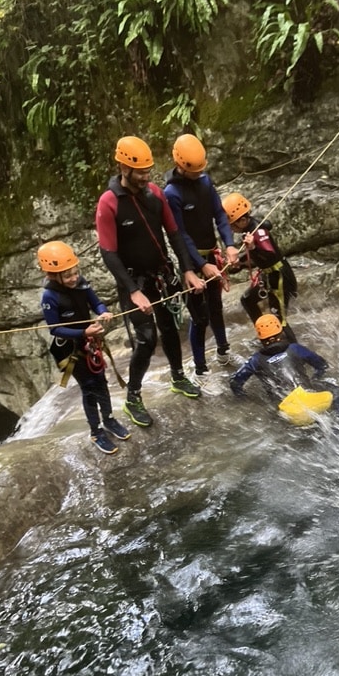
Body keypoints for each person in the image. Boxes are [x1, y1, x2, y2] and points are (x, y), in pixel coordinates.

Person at [95, 135, 205, 428]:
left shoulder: (155, 194)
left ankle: (178, 377)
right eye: (140, 171)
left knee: (170, 327)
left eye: (148, 170)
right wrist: (132, 292)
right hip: (134, 281)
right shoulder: (109, 204)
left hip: (161, 273)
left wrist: (188, 270)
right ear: (123, 167)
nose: (146, 176)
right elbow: (108, 253)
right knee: (146, 339)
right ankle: (133, 397)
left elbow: (175, 234)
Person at [38, 240, 130, 455]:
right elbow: (55, 330)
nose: (74, 278)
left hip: (89, 342)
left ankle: (108, 419)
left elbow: (95, 302)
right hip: (71, 348)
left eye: (75, 272)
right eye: (68, 275)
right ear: (54, 276)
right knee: (89, 387)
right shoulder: (49, 297)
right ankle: (96, 431)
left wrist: (103, 311)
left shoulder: (81, 283)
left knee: (101, 381)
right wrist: (83, 333)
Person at [163, 134, 240, 375]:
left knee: (216, 306)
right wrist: (200, 265)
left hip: (212, 255)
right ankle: (200, 369)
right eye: (194, 171)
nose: (198, 174)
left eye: (200, 170)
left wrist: (229, 245)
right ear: (180, 165)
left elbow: (219, 215)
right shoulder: (172, 193)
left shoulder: (206, 183)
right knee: (199, 317)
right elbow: (180, 234)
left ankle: (223, 349)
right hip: (190, 262)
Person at [229, 314, 339, 423]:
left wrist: (244, 398)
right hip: (314, 402)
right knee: (333, 391)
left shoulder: (255, 360)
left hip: (288, 412)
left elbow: (235, 383)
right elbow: (322, 365)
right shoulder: (295, 348)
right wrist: (315, 379)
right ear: (281, 332)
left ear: (260, 337)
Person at [222, 192, 298, 341]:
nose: (231, 229)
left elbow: (269, 256)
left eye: (232, 225)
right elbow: (256, 259)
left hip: (279, 276)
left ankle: (292, 352)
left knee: (279, 321)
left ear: (242, 220)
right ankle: (265, 335)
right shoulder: (248, 231)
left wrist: (252, 249)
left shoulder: (258, 232)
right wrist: (239, 264)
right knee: (248, 299)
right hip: (269, 275)